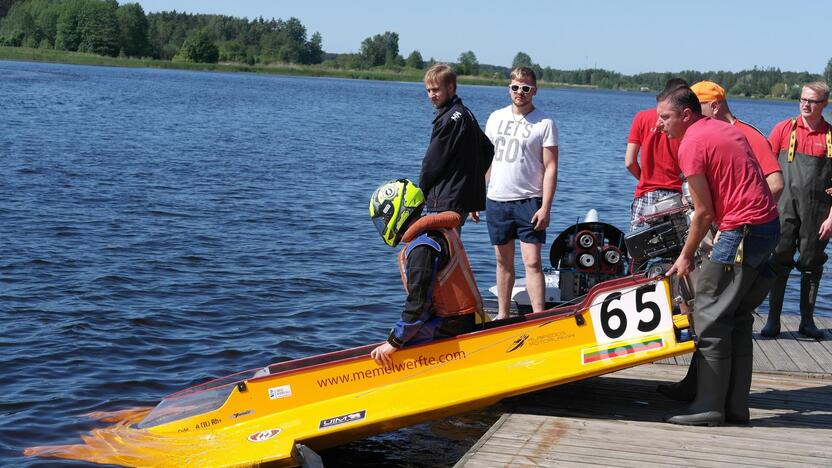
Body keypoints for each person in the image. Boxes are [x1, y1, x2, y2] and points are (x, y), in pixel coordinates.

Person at [657, 81, 787, 402]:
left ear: (686, 115)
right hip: (765, 227)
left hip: (742, 230)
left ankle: (709, 406)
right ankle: (734, 405)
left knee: (709, 314)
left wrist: (685, 256)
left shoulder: (691, 144)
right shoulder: (726, 130)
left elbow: (703, 212)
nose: (659, 125)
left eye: (665, 117)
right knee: (738, 316)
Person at [368, 179, 484, 368]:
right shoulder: (435, 233)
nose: (384, 225)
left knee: (398, 344)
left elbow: (418, 304)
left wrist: (394, 342)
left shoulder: (422, 248)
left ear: (398, 212)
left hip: (452, 324)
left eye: (384, 220)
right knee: (397, 335)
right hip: (461, 319)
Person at [484, 67, 558, 319]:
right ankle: (502, 315)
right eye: (516, 87)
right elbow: (486, 160)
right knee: (503, 262)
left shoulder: (545, 123)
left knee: (533, 262)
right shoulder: (495, 118)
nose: (520, 93)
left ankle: (539, 317)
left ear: (534, 91)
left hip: (529, 201)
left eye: (526, 88)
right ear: (509, 88)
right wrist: (476, 194)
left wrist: (545, 207)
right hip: (498, 200)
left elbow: (550, 167)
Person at [762, 81, 832, 340]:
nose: (804, 104)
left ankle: (807, 321)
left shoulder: (830, 136)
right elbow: (765, 169)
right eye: (802, 99)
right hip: (783, 208)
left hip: (818, 214)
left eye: (811, 101)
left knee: (812, 265)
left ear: (824, 104)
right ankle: (772, 321)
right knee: (777, 261)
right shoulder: (783, 129)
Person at [419, 64, 494, 227]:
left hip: (447, 199)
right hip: (461, 198)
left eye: (436, 90)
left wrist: (420, 193)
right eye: (428, 90)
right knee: (452, 244)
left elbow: (432, 164)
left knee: (442, 247)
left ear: (451, 88)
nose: (432, 95)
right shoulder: (465, 113)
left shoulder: (449, 119)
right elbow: (488, 150)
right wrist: (471, 182)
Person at [691, 80, 784, 201]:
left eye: (697, 111)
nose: (693, 117)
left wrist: (751, 212)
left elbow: (776, 184)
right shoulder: (706, 137)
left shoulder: (749, 136)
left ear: (714, 107)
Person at [625, 80, 686, 230]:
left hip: (646, 196)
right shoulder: (685, 122)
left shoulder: (641, 117)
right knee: (679, 250)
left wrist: (646, 179)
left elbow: (629, 162)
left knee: (638, 249)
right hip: (676, 197)